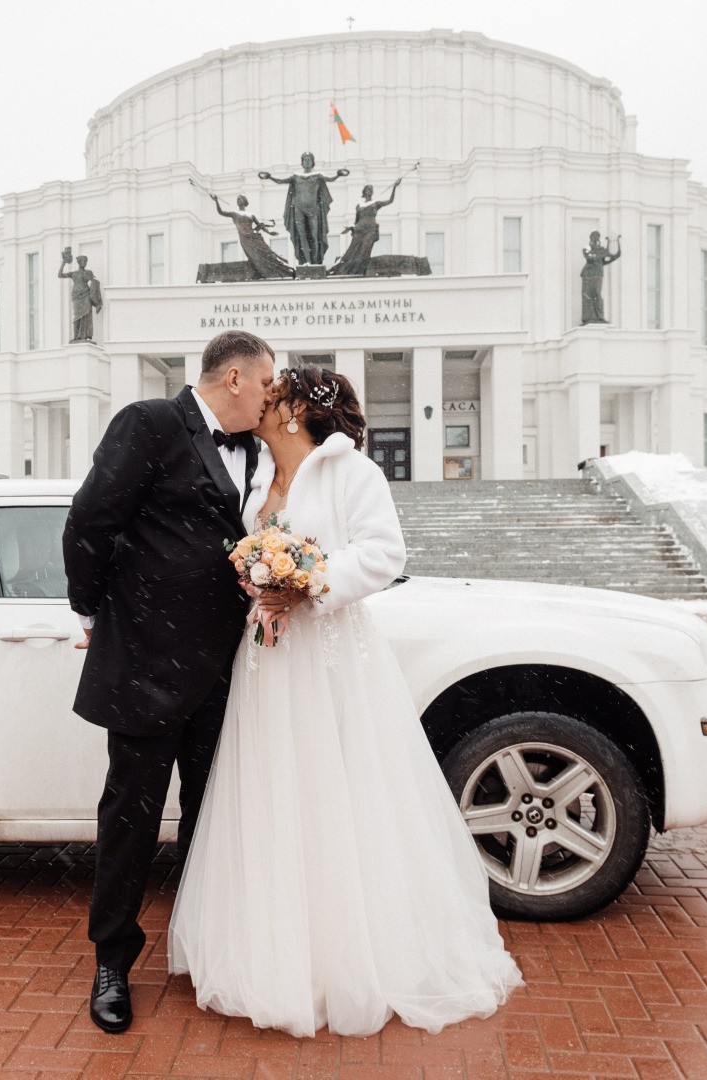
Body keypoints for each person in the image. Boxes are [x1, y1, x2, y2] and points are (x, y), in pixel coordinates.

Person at [168, 365, 523, 1038]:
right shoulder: (253, 478)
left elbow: (383, 554)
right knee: (272, 796)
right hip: (267, 662)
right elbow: (246, 556)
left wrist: (308, 581)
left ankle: (352, 959)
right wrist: (258, 584)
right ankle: (274, 955)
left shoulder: (350, 472)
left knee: (341, 794)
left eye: (274, 396)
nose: (263, 402)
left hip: (331, 658)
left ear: (298, 410)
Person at [62, 329, 274, 1035]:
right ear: (236, 377)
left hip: (227, 670)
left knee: (212, 817)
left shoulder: (262, 453)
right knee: (130, 817)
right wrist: (97, 609)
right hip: (148, 663)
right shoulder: (150, 421)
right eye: (267, 384)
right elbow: (91, 520)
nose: (272, 398)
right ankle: (111, 963)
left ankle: (201, 948)